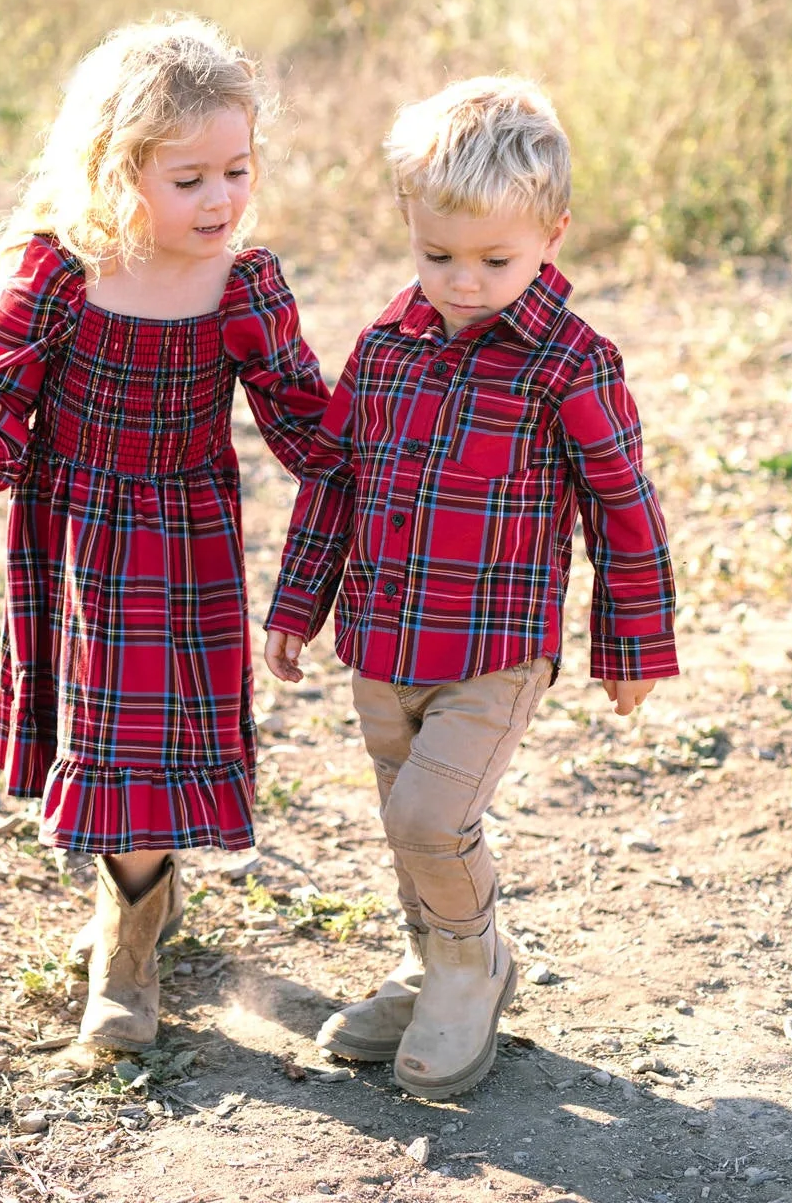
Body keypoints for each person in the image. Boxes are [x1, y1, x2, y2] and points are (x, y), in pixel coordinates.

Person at [264, 76, 678, 1100]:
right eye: (436, 253)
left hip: (495, 648)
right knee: (403, 813)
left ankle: (471, 966)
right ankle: (429, 958)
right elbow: (334, 478)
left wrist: (629, 646)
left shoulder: (570, 365)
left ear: (552, 231)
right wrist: (296, 603)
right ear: (408, 223)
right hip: (383, 635)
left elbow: (623, 506)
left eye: (495, 258)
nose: (464, 279)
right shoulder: (386, 348)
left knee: (430, 818)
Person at [0, 17, 328, 1052]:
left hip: (183, 539)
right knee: (105, 740)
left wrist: (385, 481)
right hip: (76, 534)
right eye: (188, 178)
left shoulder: (243, 284)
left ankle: (129, 943)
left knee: (136, 742)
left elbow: (303, 421)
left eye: (235, 170)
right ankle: (133, 911)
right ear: (116, 170)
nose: (221, 199)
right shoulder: (66, 269)